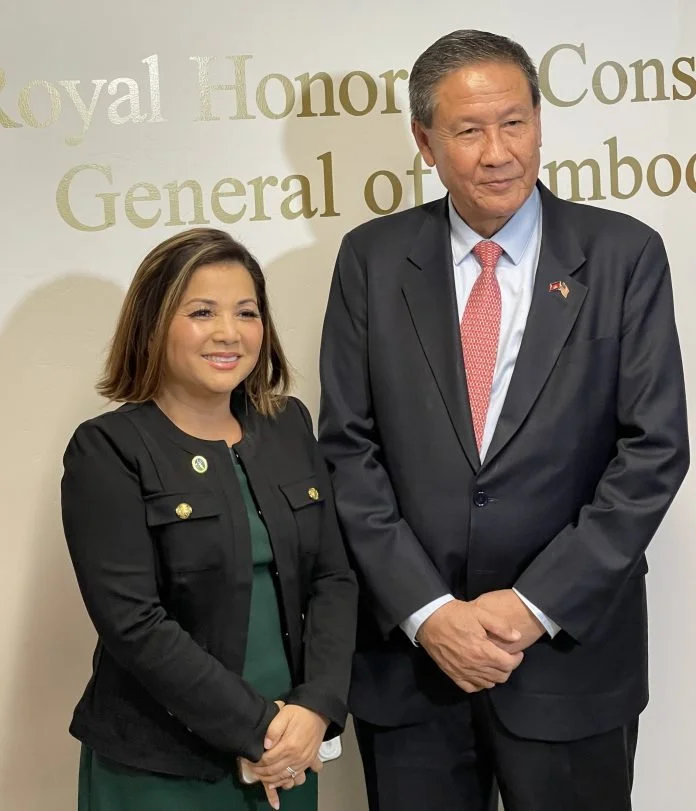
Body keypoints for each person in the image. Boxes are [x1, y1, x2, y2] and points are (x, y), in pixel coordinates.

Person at [318, 28, 689, 811]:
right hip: (414, 669)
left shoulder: (624, 254)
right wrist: (429, 612)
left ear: (540, 121)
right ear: (424, 140)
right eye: (468, 130)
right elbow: (348, 450)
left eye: (514, 122)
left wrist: (531, 605)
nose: (498, 152)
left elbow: (653, 449)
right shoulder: (371, 260)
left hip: (569, 659)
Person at [61, 227, 357, 811]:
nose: (229, 332)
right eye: (202, 312)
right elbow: (134, 624)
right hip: (163, 767)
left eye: (247, 312)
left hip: (291, 752)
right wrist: (258, 730)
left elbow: (333, 579)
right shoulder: (107, 449)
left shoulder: (288, 424)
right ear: (154, 323)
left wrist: (316, 708)